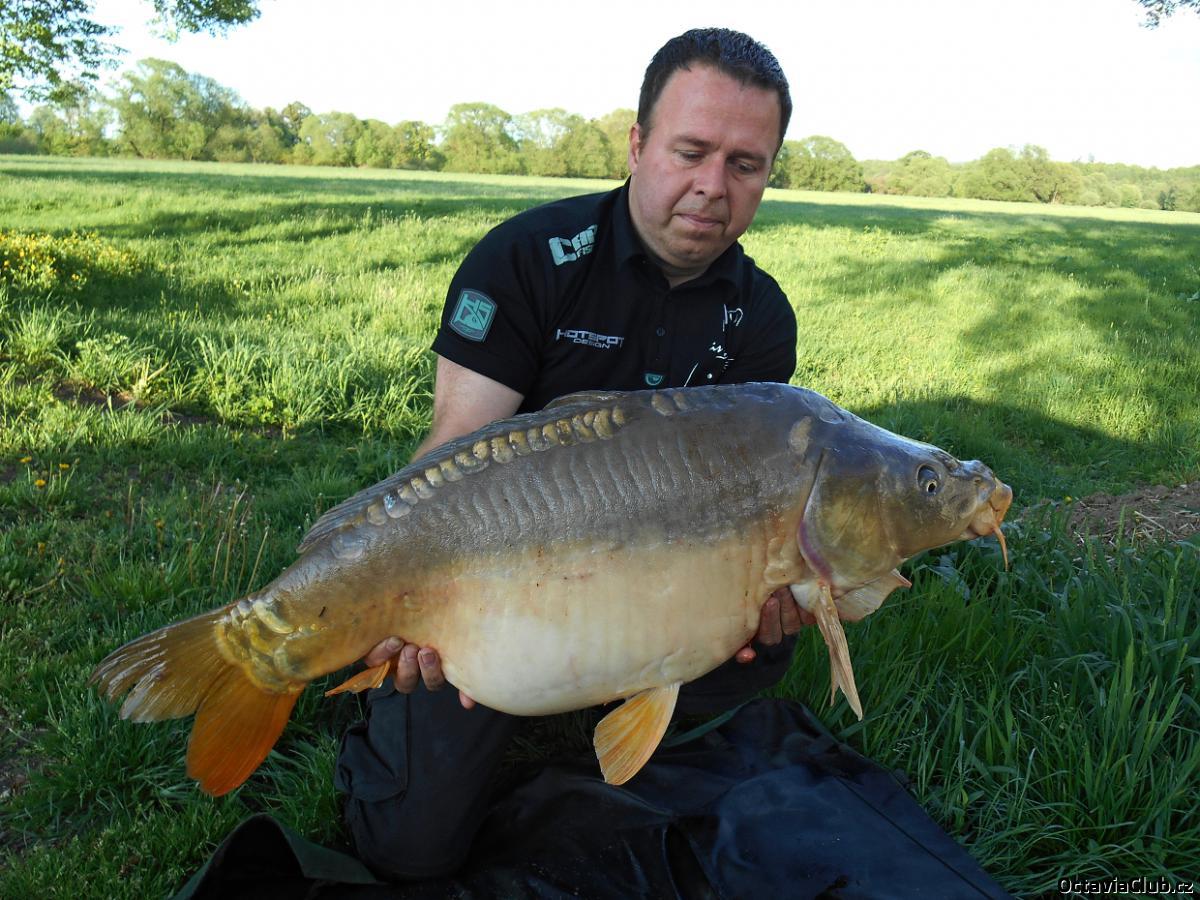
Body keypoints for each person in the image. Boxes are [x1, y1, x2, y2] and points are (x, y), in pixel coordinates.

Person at [334, 27, 812, 880]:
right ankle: (385, 694)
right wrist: (406, 597)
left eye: (746, 165)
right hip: (494, 578)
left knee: (768, 636)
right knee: (407, 849)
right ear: (637, 145)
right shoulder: (528, 258)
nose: (713, 187)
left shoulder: (761, 316)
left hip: (651, 577)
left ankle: (607, 704)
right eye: (691, 152)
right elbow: (451, 455)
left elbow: (754, 497)